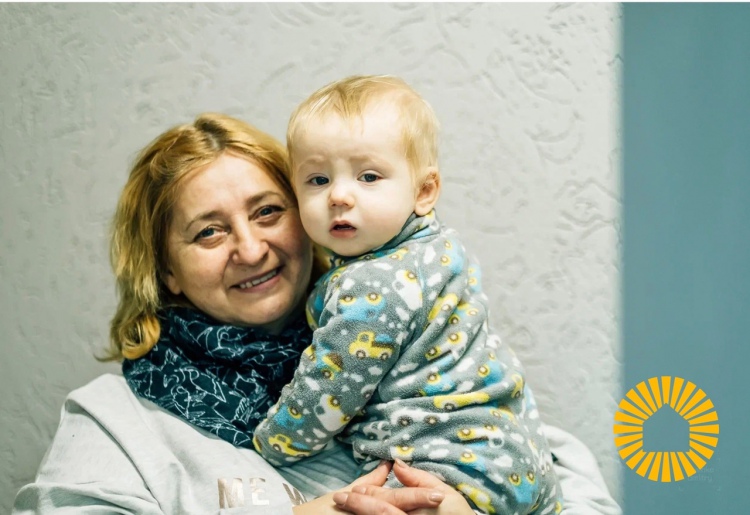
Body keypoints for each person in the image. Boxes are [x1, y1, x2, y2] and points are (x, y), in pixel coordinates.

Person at [13, 112, 622, 515]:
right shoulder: (115, 422)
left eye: (268, 211)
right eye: (208, 232)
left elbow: (572, 488)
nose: (250, 249)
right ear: (165, 270)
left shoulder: (429, 359)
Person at [252, 75, 561, 515]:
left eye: (369, 176)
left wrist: (273, 443)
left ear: (424, 191)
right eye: (318, 179)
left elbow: (330, 387)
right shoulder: (443, 250)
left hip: (444, 466)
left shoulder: (372, 285)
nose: (339, 195)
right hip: (518, 455)